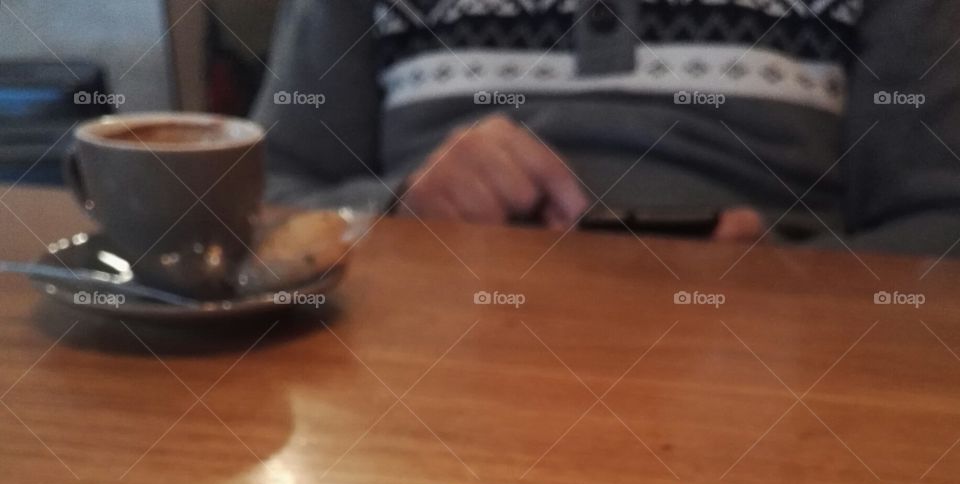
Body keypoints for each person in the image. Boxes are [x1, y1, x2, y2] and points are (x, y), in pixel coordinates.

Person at [253, 0, 960, 255]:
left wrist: (798, 278)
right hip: (407, 381)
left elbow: (938, 222)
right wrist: (395, 205)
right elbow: (259, 197)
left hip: (781, 398)